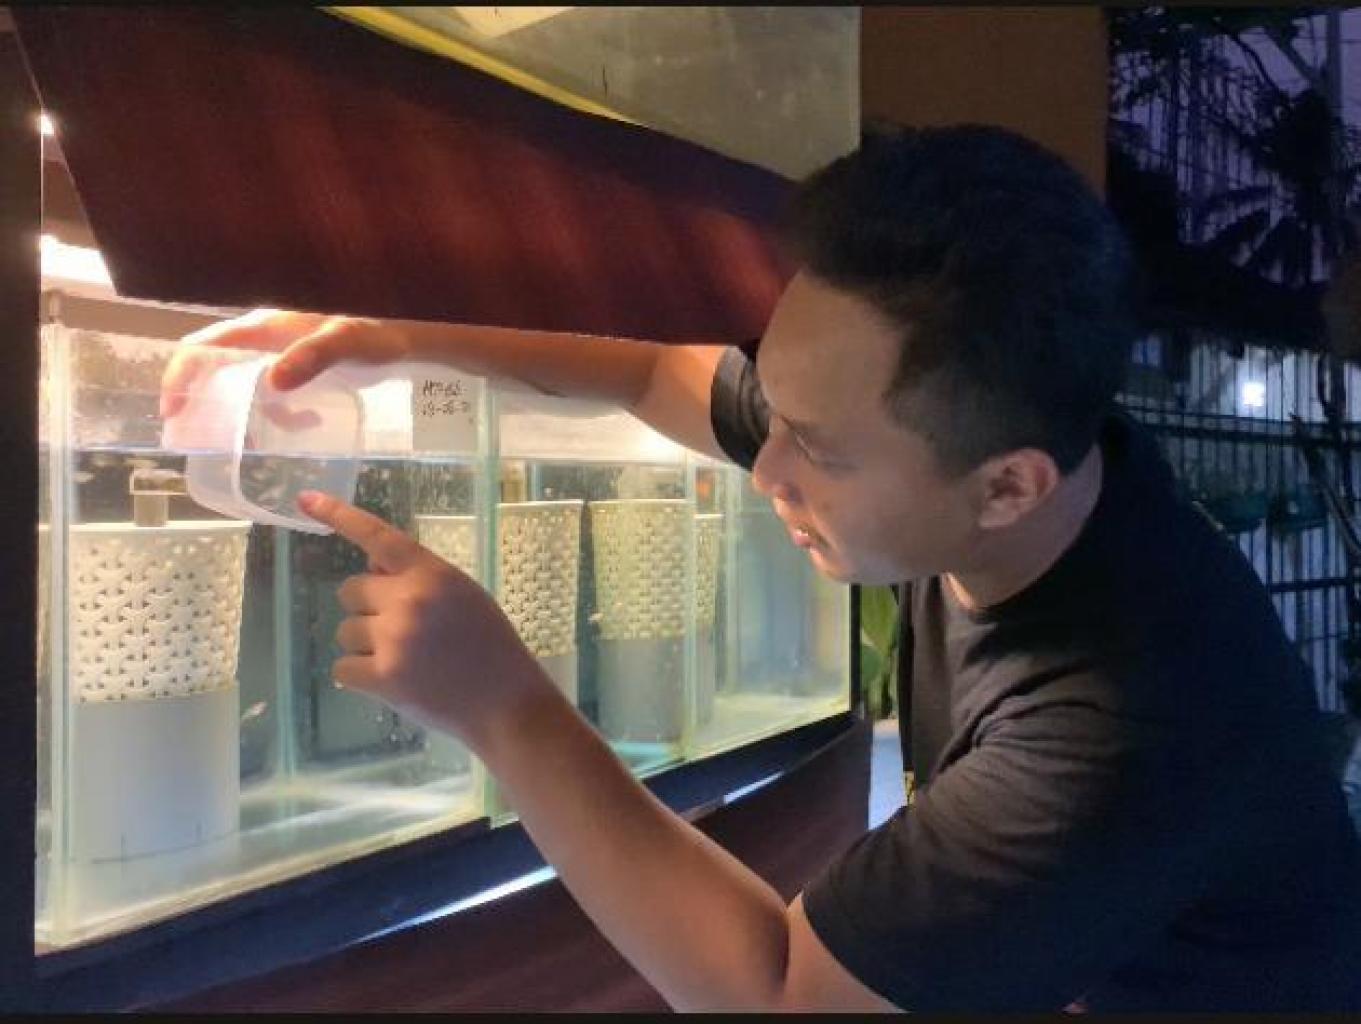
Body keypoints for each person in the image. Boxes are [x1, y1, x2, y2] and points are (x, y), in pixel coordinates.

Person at [163, 125, 1361, 1012]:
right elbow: (653, 374)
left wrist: (503, 707)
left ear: (1006, 486)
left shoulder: (1117, 722)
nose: (765, 465)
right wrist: (387, 335)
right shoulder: (1011, 460)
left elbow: (779, 998)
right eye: (773, 408)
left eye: (819, 450)